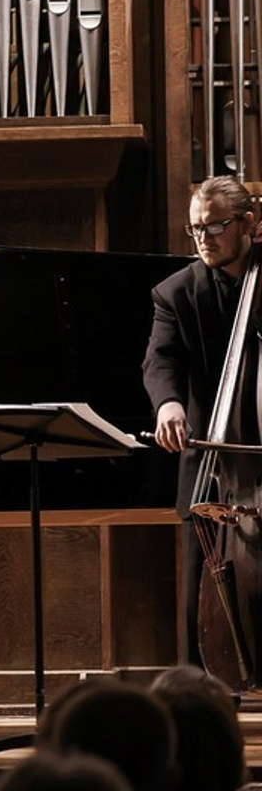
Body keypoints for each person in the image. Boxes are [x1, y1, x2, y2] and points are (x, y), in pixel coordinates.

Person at [143, 174, 258, 666]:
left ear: (248, 224)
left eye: (215, 227)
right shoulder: (177, 293)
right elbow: (160, 360)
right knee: (201, 598)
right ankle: (206, 708)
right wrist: (168, 403)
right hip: (211, 470)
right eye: (195, 230)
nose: (204, 240)